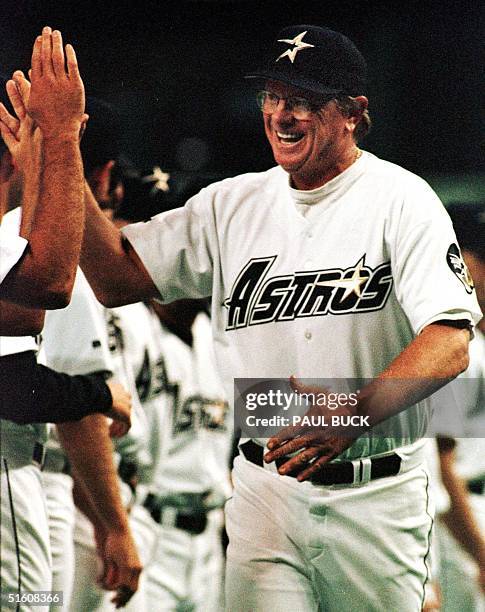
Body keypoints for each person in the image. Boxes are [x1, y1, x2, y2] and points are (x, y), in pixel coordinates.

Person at [79, 25, 482, 611]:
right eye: (273, 95)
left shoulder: (401, 198)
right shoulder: (232, 203)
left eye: (304, 100)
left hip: (376, 492)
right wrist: (64, 153)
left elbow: (451, 341)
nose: (282, 115)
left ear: (353, 113)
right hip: (264, 491)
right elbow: (114, 277)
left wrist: (351, 413)